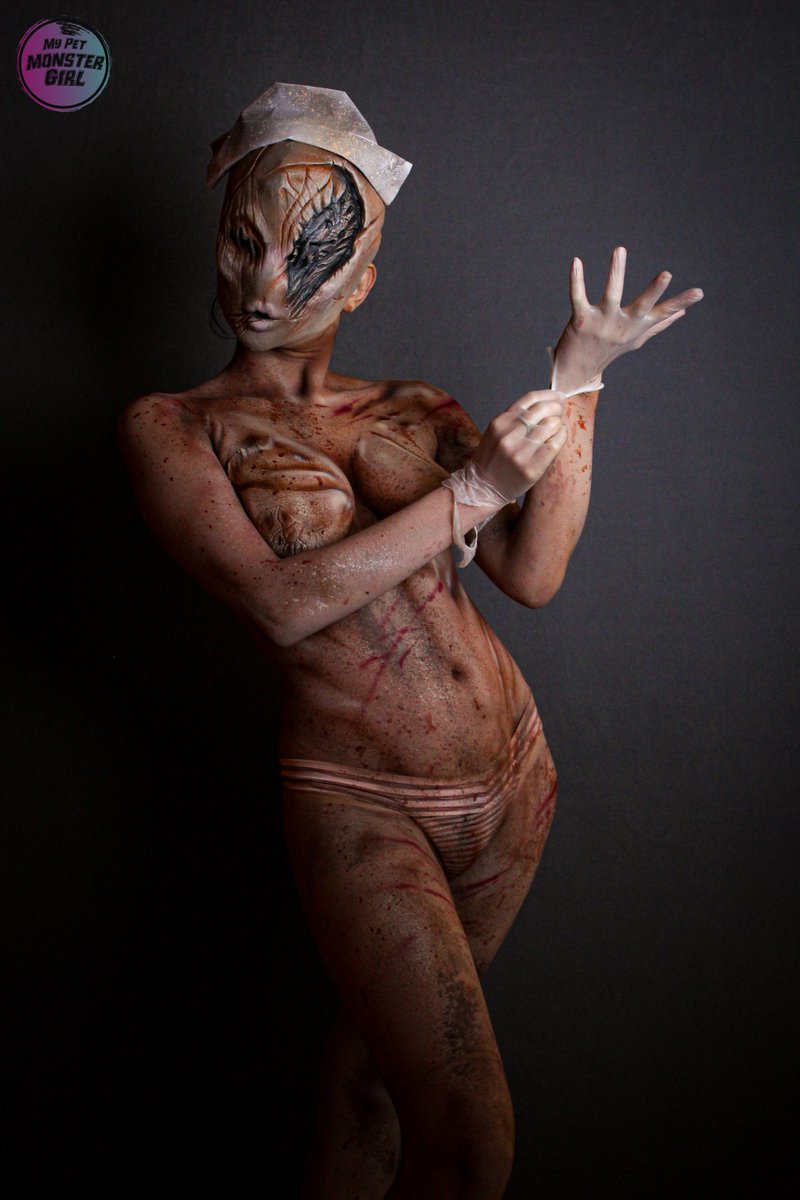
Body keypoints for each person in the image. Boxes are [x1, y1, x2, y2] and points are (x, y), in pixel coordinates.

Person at [119, 83, 703, 1200]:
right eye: (244, 242)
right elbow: (282, 605)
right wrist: (470, 492)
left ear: (362, 281)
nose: (265, 285)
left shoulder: (413, 405)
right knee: (471, 1139)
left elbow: (530, 573)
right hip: (362, 805)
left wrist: (577, 383)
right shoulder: (173, 427)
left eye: (309, 257)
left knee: (374, 1090)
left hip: (515, 782)